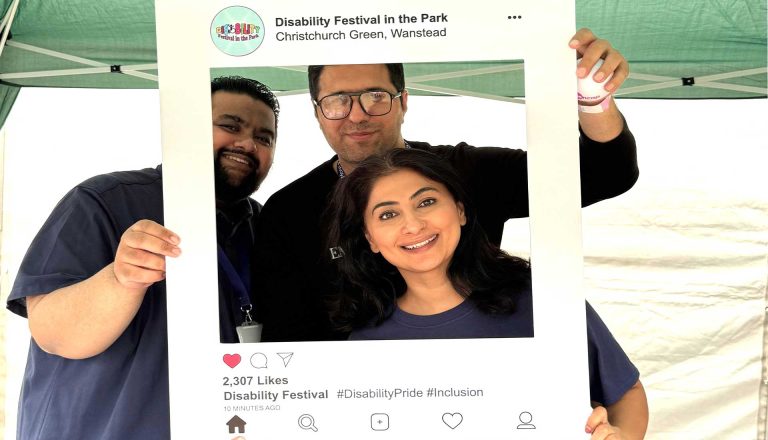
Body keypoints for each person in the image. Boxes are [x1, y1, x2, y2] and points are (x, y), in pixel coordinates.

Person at [253, 28, 639, 342]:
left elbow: (607, 173)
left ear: (404, 101)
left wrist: (593, 98)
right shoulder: (290, 210)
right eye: (337, 101)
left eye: (375, 97)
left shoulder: (468, 170)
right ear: (318, 113)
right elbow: (288, 336)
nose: (357, 115)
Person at [5, 76, 280, 439]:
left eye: (264, 138)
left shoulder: (269, 227)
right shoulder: (103, 201)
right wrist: (120, 280)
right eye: (230, 126)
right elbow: (53, 333)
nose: (247, 144)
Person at [325, 147, 649, 439]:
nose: (413, 225)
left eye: (426, 201)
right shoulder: (367, 343)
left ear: (460, 211)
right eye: (388, 214)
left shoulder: (542, 300)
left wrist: (620, 435)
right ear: (370, 238)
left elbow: (626, 392)